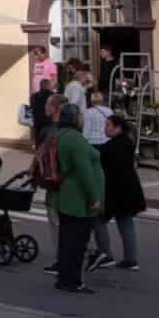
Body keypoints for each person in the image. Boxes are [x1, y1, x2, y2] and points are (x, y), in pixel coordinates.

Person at [50, 101, 105, 293]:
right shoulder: (75, 139)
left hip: (65, 194)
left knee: (66, 241)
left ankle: (63, 279)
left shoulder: (59, 135)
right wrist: (94, 197)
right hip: (78, 198)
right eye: (80, 115)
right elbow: (85, 171)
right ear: (74, 118)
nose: (83, 118)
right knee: (77, 243)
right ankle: (73, 281)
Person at [95, 113, 144, 271]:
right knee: (126, 223)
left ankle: (106, 255)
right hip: (130, 190)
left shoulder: (110, 147)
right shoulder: (128, 144)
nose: (105, 128)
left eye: (108, 125)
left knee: (98, 219)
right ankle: (131, 259)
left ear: (118, 128)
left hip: (114, 192)